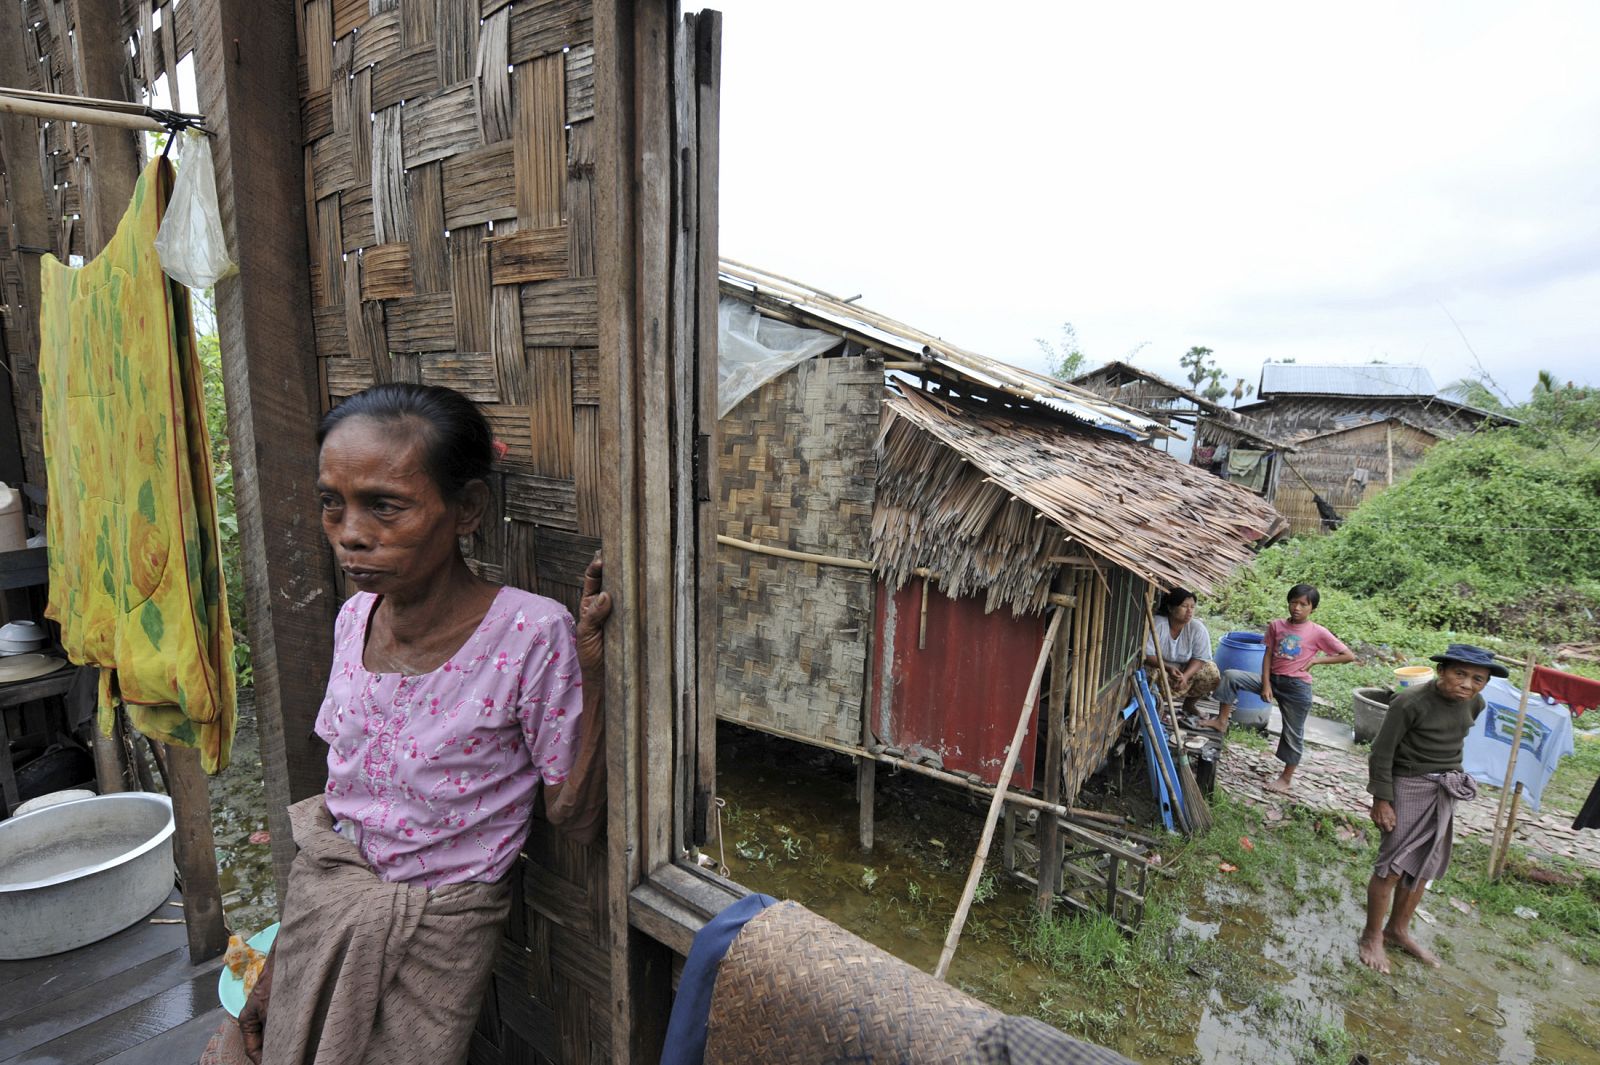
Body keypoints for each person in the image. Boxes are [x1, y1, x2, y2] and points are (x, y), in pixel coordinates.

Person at [207, 383, 610, 1065]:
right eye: (332, 502)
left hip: (435, 935)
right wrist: (262, 963)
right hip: (320, 906)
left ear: (468, 509)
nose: (350, 532)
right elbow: (337, 835)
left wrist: (593, 674)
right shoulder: (352, 619)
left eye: (385, 505)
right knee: (240, 1041)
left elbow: (571, 813)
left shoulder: (528, 633)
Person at [1359, 644, 1501, 973]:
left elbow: (1455, 740)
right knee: (1392, 866)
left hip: (1443, 789)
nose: (1467, 684)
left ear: (1484, 684)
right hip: (1408, 786)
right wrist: (1382, 799)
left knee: (1425, 864)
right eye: (1459, 674)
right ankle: (1371, 936)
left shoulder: (1475, 703)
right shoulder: (1410, 702)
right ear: (1442, 672)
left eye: (1477, 679)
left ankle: (1397, 931)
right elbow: (1381, 752)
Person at [1206, 583, 1354, 793]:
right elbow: (1267, 655)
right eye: (1294, 602)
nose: (1297, 608)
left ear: (1313, 608)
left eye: (1303, 604)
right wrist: (1266, 684)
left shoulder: (1317, 632)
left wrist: (1316, 661)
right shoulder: (1276, 626)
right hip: (1273, 679)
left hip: (1297, 688)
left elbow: (1348, 656)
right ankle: (1221, 721)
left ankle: (1286, 778)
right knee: (1231, 676)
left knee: (1292, 733)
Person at [1143, 587, 1219, 714]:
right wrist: (1168, 668)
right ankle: (1156, 706)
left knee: (1211, 672)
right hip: (1160, 666)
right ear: (1171, 608)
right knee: (1149, 674)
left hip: (1184, 668)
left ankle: (1189, 705)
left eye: (1192, 607)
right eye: (1184, 606)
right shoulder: (1158, 624)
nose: (1189, 611)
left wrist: (1185, 676)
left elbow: (1200, 658)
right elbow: (1148, 654)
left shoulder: (1197, 628)